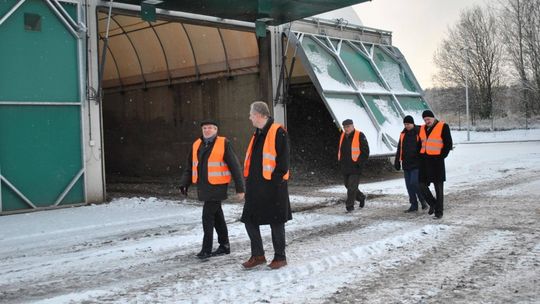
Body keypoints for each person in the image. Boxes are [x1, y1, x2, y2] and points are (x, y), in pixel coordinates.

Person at [179, 119, 245, 259]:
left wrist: (240, 188)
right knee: (217, 216)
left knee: (207, 216)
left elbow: (235, 167)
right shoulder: (197, 144)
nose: (207, 130)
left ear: (216, 130)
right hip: (203, 187)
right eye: (205, 128)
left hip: (217, 187)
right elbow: (190, 166)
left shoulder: (223, 143)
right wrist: (184, 183)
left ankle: (206, 249)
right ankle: (224, 245)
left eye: (210, 128)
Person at [241, 101, 292, 270]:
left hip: (273, 187)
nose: (249, 117)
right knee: (249, 219)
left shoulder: (278, 131)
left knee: (276, 222)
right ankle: (258, 255)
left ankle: (280, 257)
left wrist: (276, 182)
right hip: (255, 187)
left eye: (250, 114)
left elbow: (284, 161)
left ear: (259, 115)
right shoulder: (257, 134)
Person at [418, 110, 453, 219]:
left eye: (428, 119)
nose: (427, 121)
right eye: (425, 119)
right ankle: (433, 204)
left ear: (433, 118)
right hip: (424, 161)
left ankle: (439, 212)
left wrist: (441, 157)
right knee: (421, 185)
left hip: (437, 162)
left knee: (438, 188)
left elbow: (448, 144)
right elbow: (420, 143)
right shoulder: (422, 128)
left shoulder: (443, 126)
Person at [394, 115, 428, 212]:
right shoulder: (403, 134)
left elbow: (424, 147)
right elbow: (399, 148)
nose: (406, 126)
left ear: (412, 123)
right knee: (409, 186)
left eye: (408, 124)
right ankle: (414, 205)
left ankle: (423, 200)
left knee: (414, 183)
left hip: (417, 164)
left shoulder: (419, 132)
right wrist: (397, 161)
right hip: (406, 164)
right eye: (405, 124)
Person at [338, 119, 370, 212]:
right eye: (344, 127)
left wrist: (359, 163)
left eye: (348, 126)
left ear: (352, 126)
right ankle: (361, 197)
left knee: (352, 187)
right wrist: (340, 162)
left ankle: (349, 206)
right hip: (345, 166)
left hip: (355, 166)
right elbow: (341, 150)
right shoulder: (342, 135)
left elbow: (365, 152)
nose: (346, 129)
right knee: (347, 185)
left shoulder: (360, 135)